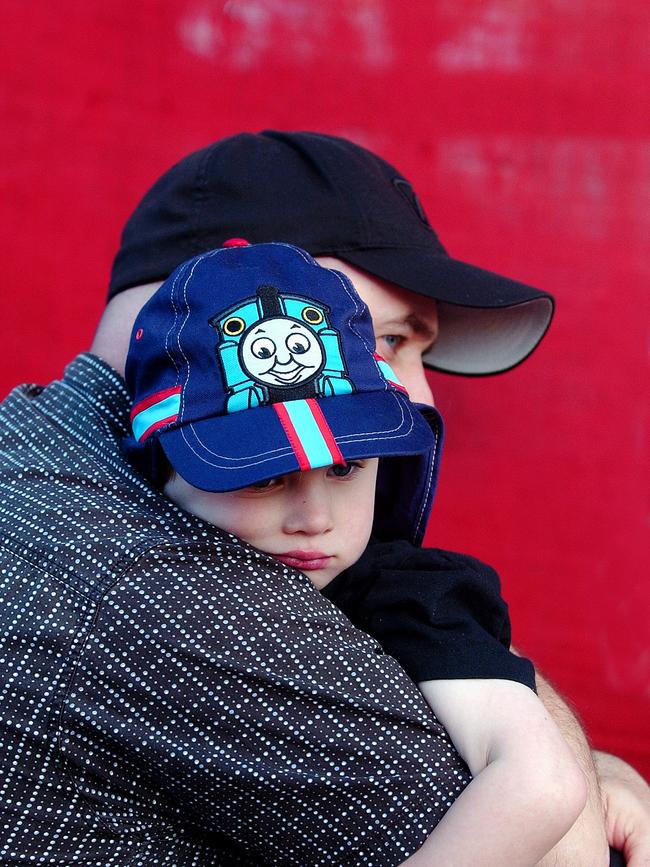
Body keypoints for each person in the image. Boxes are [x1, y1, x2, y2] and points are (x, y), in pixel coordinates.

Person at [0, 129, 645, 864]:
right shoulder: (165, 588)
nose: (420, 395)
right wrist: (580, 770)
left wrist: (576, 757)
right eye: (385, 340)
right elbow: (561, 845)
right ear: (230, 302)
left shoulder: (38, 445)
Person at [121, 238, 587, 866]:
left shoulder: (411, 598)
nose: (314, 520)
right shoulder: (129, 570)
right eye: (262, 476)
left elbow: (540, 782)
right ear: (160, 472)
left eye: (345, 469)